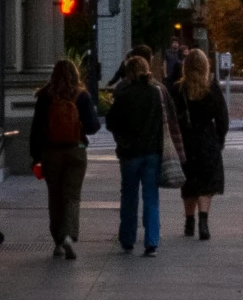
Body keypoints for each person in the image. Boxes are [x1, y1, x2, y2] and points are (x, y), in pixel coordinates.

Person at [29, 58, 101, 260]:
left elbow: (36, 130)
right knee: (72, 195)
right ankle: (69, 235)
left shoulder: (45, 96)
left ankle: (58, 242)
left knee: (55, 196)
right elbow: (93, 127)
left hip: (50, 152)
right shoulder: (82, 96)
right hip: (75, 150)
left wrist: (35, 157)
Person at [107, 54, 173, 256]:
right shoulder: (156, 93)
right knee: (151, 196)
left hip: (129, 152)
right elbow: (167, 118)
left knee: (129, 195)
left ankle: (127, 238)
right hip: (152, 151)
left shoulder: (124, 95)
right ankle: (151, 240)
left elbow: (111, 122)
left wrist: (122, 137)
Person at [175, 47, 230, 239]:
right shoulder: (211, 88)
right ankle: (203, 222)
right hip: (207, 140)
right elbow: (222, 117)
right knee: (206, 184)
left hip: (186, 141)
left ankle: (189, 223)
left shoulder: (179, 89)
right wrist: (220, 138)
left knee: (189, 182)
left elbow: (173, 118)